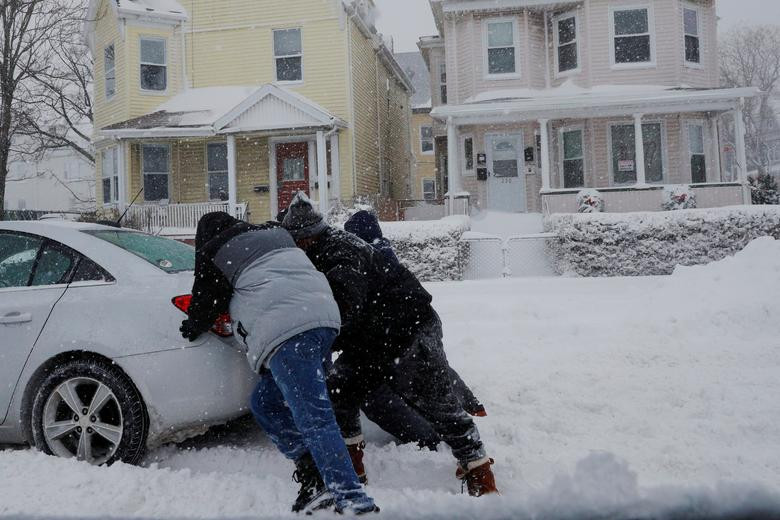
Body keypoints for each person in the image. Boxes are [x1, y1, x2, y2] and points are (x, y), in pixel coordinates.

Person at [282, 193, 498, 497]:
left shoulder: (340, 255)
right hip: (373, 336)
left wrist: (319, 341)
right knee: (341, 390)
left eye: (294, 242)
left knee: (436, 402)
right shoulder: (321, 249)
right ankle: (353, 467)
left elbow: (345, 309)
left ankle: (480, 473)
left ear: (306, 239)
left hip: (409, 329)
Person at [180, 212, 377, 515]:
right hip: (323, 318)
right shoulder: (275, 234)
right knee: (265, 403)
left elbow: (204, 305)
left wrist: (192, 325)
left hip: (290, 330)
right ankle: (314, 473)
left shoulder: (216, 250)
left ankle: (351, 498)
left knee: (315, 418)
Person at [343, 210, 487, 450]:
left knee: (410, 376)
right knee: (434, 366)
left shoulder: (371, 256)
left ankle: (431, 437)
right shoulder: (383, 248)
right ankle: (469, 402)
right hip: (421, 318)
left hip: (403, 325)